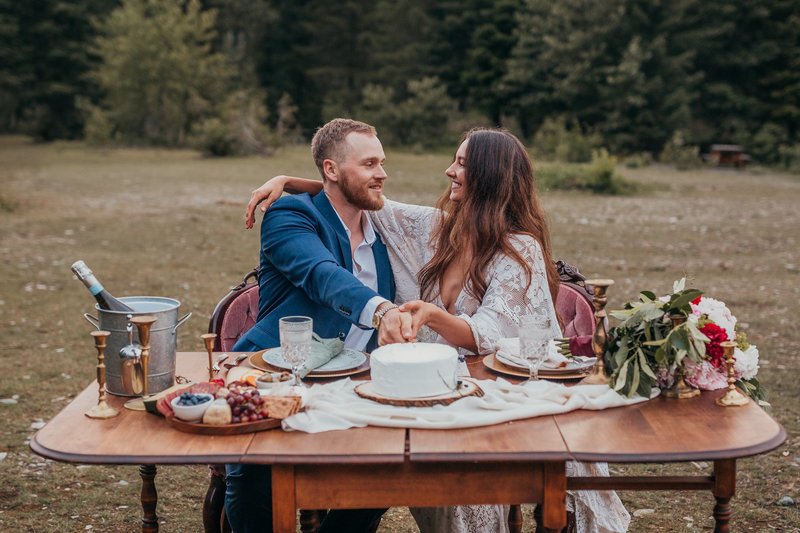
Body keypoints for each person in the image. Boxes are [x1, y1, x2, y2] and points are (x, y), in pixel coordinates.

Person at [247, 128, 631, 533]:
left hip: (484, 391)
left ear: (490, 176)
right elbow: (356, 195)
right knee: (390, 471)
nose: (450, 170)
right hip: (424, 389)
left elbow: (488, 331)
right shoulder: (435, 228)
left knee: (423, 481)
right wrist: (288, 181)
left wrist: (431, 315)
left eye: (462, 164)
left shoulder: (519, 251)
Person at [226, 118, 415, 533]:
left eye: (381, 162)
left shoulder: (381, 225)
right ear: (331, 169)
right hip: (272, 370)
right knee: (256, 470)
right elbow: (320, 273)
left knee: (387, 469)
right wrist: (383, 310)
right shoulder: (288, 214)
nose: (382, 173)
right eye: (369, 164)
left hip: (351, 383)